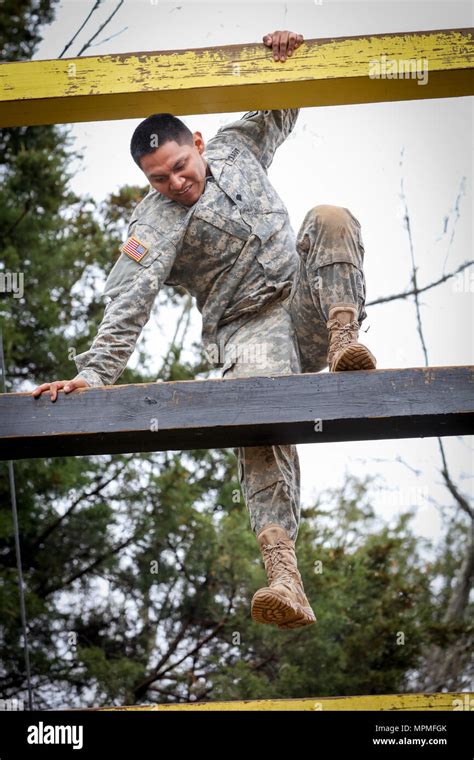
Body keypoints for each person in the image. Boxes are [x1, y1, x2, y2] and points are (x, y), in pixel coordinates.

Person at [32, 30, 376, 630]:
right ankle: (285, 577)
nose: (176, 184)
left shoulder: (236, 147)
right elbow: (127, 304)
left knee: (330, 217)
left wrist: (284, 53)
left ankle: (346, 340)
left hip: (306, 299)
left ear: (197, 143)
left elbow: (283, 100)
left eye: (180, 168)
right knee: (258, 412)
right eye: (159, 178)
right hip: (249, 329)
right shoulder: (154, 223)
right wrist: (92, 374)